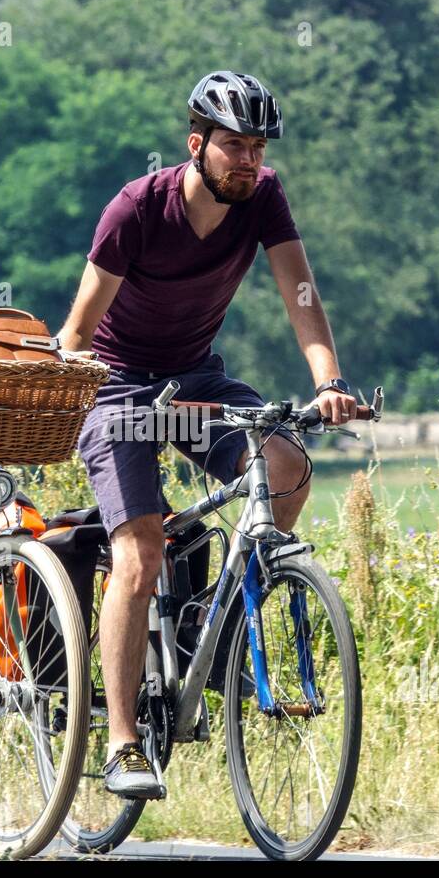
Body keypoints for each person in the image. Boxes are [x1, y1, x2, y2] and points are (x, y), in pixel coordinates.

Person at [58, 70, 359, 799]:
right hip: (119, 386)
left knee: (286, 466)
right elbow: (77, 333)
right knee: (140, 553)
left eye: (256, 148)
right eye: (233, 146)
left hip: (196, 378)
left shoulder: (263, 197)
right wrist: (86, 398)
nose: (248, 161)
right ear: (196, 145)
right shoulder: (137, 209)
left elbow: (300, 291)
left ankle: (210, 629)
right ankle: (125, 742)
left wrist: (328, 380)